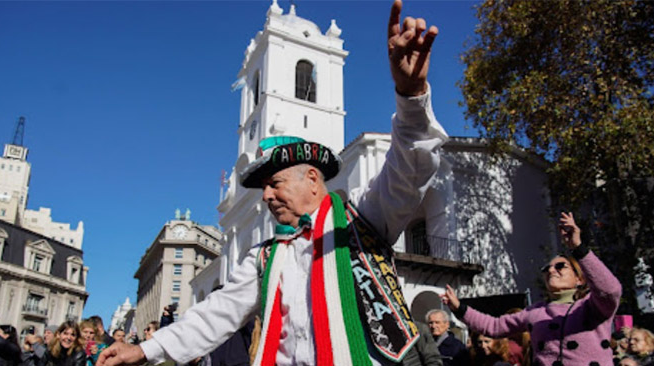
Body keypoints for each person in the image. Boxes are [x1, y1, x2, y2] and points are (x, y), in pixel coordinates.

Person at [97, 1, 445, 365]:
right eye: (263, 187)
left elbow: (411, 167)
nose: (265, 195)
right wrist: (145, 349)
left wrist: (412, 96)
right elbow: (217, 313)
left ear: (313, 179)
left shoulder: (364, 217)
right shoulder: (264, 257)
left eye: (275, 183)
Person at [442, 212, 622, 366]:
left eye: (560, 266)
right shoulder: (535, 311)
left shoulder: (592, 307)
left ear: (579, 278)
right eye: (546, 268)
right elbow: (494, 326)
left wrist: (578, 248)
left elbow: (610, 290)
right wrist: (460, 308)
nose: (551, 270)